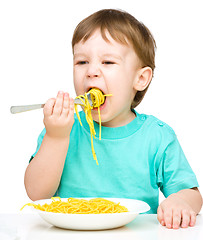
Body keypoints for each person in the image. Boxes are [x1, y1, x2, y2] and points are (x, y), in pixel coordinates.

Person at [24, 9, 202, 229]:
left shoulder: (157, 136)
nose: (91, 71)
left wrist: (180, 201)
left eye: (107, 62)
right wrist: (56, 137)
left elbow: (192, 194)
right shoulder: (62, 128)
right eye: (81, 62)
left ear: (141, 78)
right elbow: (36, 192)